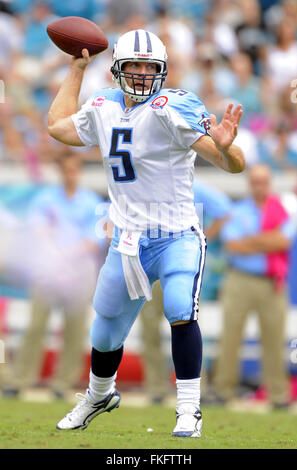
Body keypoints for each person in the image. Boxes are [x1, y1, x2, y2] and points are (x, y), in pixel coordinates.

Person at [48, 29, 245, 437]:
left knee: (178, 306)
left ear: (163, 70)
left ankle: (189, 408)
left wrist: (225, 147)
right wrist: (76, 68)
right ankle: (99, 394)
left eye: (149, 66)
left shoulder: (173, 106)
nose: (141, 73)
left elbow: (233, 165)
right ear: (117, 69)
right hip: (127, 238)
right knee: (104, 330)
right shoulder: (102, 105)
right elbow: (58, 128)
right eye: (134, 65)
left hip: (176, 233)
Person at [3, 151, 106, 399]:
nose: (70, 175)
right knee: (37, 325)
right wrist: (54, 253)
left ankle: (63, 382)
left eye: (74, 170)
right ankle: (21, 379)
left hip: (78, 271)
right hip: (49, 269)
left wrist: (69, 254)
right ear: (61, 172)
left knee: (74, 329)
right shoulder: (46, 199)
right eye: (66, 170)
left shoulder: (90, 201)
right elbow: (39, 229)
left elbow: (95, 239)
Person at [140, 180, 231, 404]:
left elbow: (225, 211)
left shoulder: (194, 188)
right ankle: (156, 388)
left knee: (186, 324)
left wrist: (202, 238)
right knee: (150, 329)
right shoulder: (147, 184)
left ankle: (195, 389)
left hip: (180, 266)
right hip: (151, 268)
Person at [213, 164, 295, 408]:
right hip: (240, 279)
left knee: (273, 339)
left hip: (271, 281)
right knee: (230, 336)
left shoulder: (281, 211)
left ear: (269, 183)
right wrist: (267, 240)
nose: (259, 186)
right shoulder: (237, 210)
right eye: (255, 181)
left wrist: (252, 240)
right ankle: (223, 390)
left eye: (263, 181)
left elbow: (283, 242)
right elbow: (232, 244)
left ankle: (278, 395)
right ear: (250, 183)